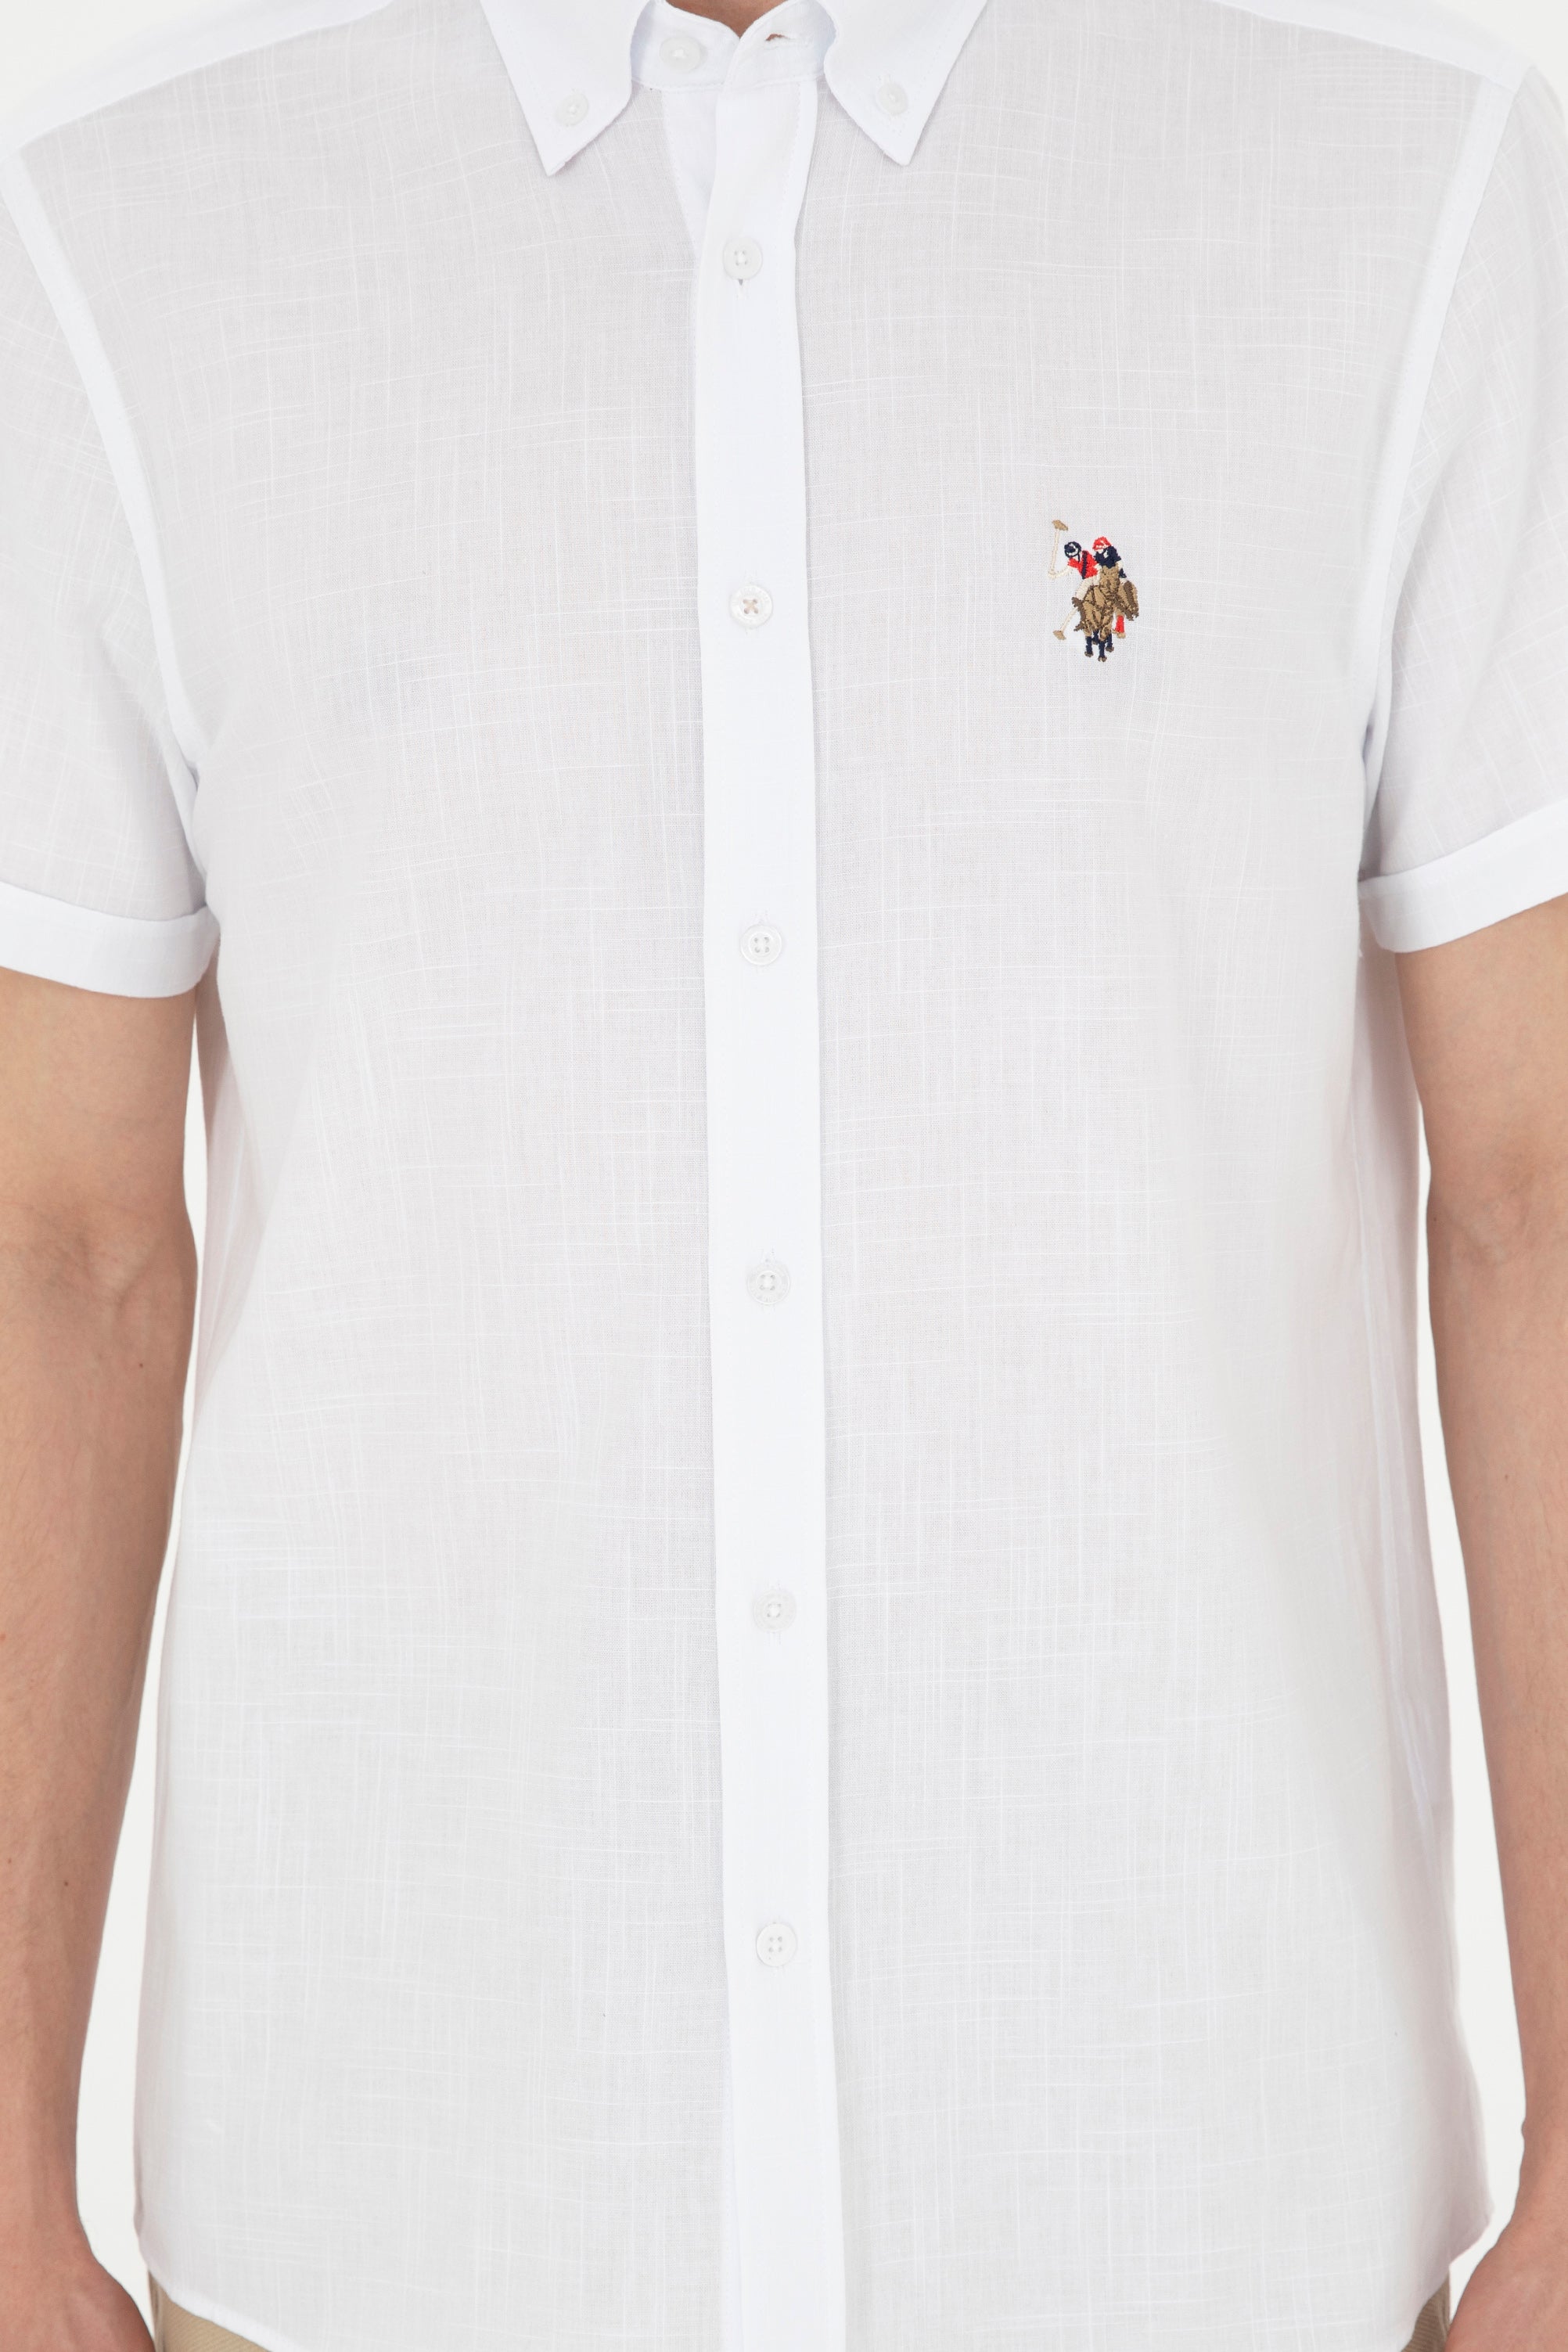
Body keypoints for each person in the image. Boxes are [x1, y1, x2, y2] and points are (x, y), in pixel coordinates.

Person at [2, 0, 1567, 2345]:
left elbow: (1535, 1191)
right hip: (381, 2221)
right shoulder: (114, 233)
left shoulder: (1406, 180)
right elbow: (64, 1247)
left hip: (1198, 2219)